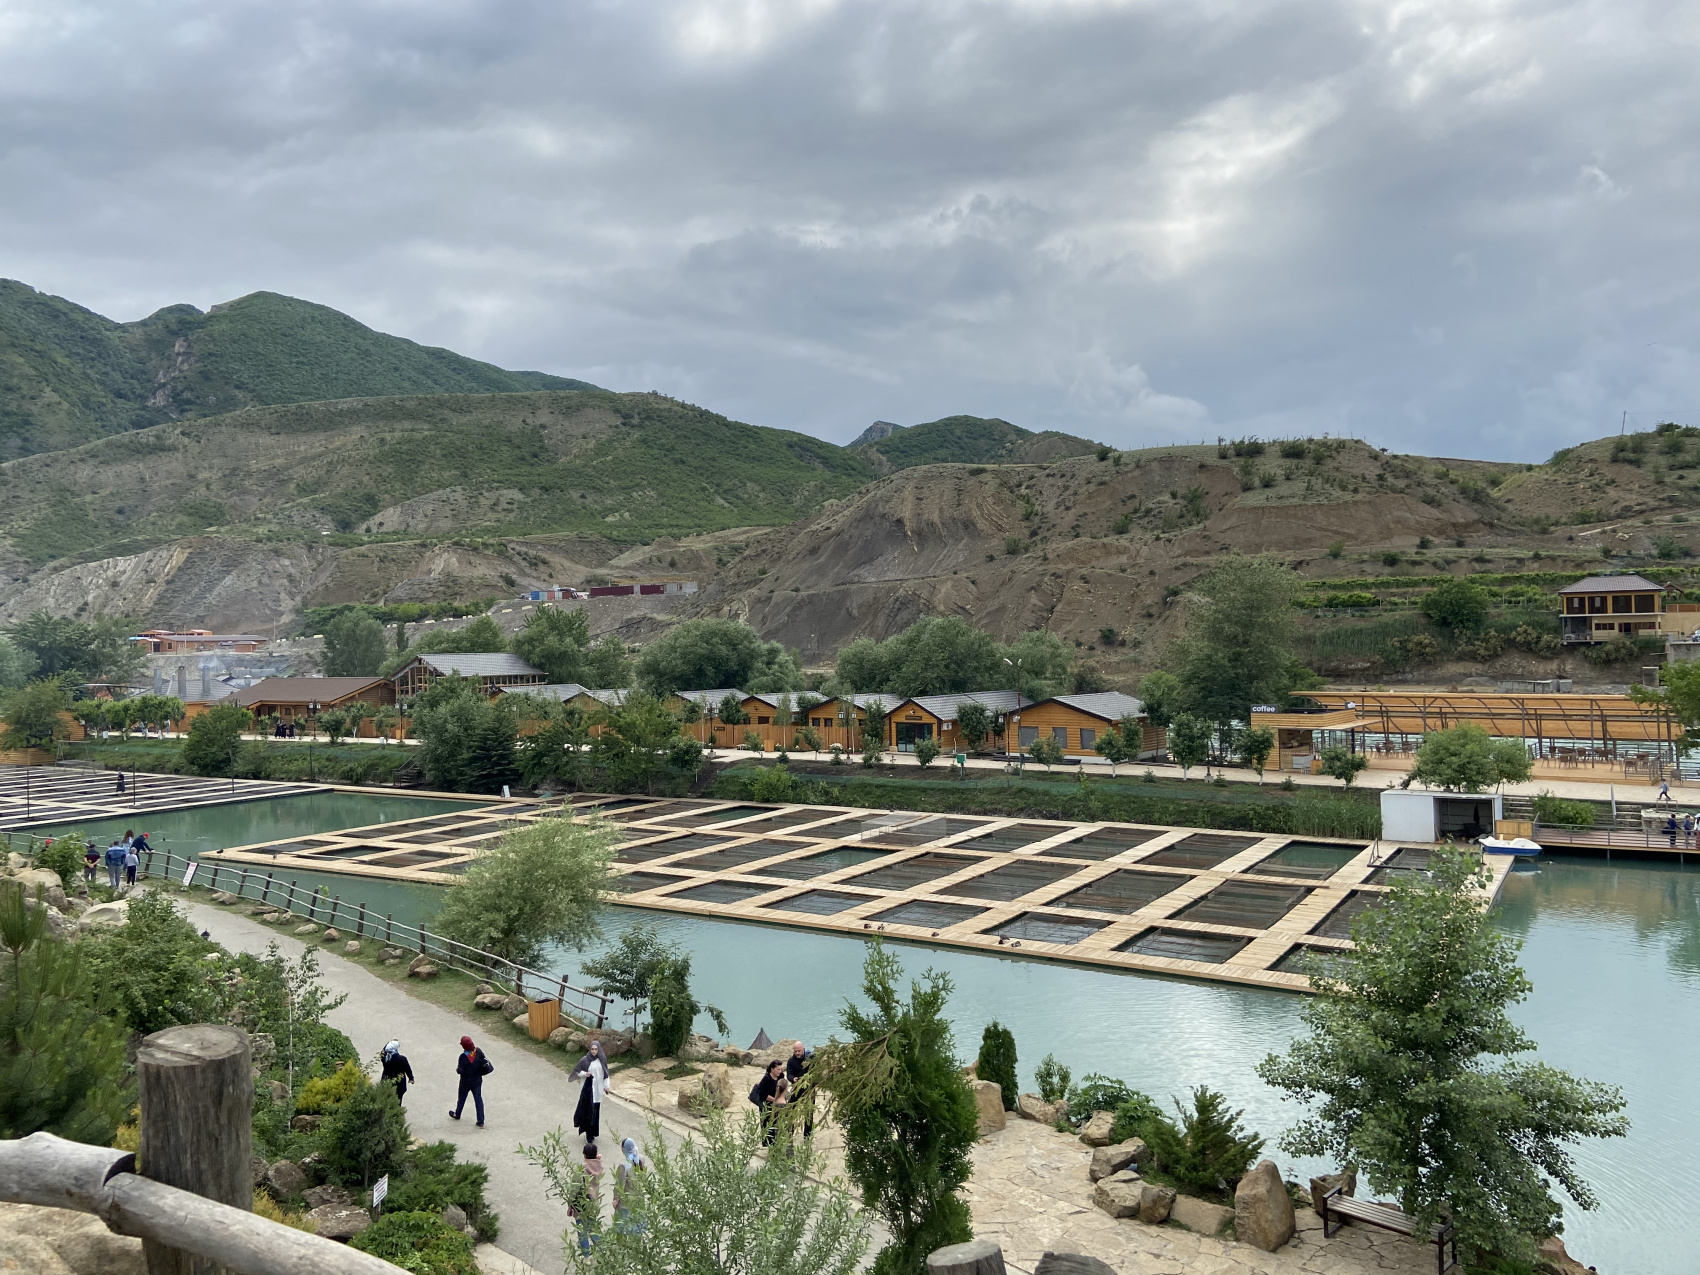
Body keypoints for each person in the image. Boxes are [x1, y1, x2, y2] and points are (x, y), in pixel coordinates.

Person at [567, 1143, 604, 1257]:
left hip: (582, 1204)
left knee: (582, 1229)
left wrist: (570, 1205)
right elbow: (597, 1162)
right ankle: (601, 1251)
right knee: (593, 1227)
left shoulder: (581, 1169)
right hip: (594, 1202)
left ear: (584, 1155)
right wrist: (597, 1159)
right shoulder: (599, 1167)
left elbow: (574, 1189)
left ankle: (586, 1255)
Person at [569, 1040, 609, 1143]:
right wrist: (585, 1074)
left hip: (598, 1091)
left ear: (598, 1050)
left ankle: (594, 1132)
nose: (594, 1051)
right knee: (588, 1112)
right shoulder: (585, 1060)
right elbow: (577, 1072)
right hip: (588, 1091)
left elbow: (605, 1074)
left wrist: (606, 1086)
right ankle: (588, 1135)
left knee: (595, 1113)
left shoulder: (602, 1059)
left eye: (595, 1049)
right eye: (592, 1049)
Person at [450, 1035, 491, 1127]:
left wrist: (458, 1069)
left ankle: (457, 1114)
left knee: (461, 1098)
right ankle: (480, 1120)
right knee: (478, 1099)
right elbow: (484, 1061)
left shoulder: (463, 1057)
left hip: (465, 1082)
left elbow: (460, 1070)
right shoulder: (478, 1051)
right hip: (477, 1081)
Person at [613, 1137, 648, 1235]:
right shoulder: (641, 1160)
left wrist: (616, 1199)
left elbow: (620, 1184)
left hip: (626, 1202)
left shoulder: (623, 1166)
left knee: (621, 1227)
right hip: (639, 1200)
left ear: (624, 1149)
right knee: (637, 1226)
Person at [750, 1058, 785, 1145]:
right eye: (778, 1069)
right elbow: (763, 1095)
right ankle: (768, 1143)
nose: (780, 1071)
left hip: (777, 1104)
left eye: (780, 1069)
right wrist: (775, 1100)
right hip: (766, 1105)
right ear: (772, 1069)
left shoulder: (781, 1076)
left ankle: (777, 1141)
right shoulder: (766, 1079)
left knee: (777, 1122)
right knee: (767, 1124)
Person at [786, 1040, 815, 1138]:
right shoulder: (791, 1061)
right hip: (796, 1089)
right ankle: (789, 1133)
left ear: (803, 1049)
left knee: (808, 1113)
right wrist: (793, 1079)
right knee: (790, 1110)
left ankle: (807, 1136)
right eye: (795, 1051)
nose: (797, 1053)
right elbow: (789, 1074)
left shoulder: (810, 1058)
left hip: (809, 1089)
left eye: (799, 1051)